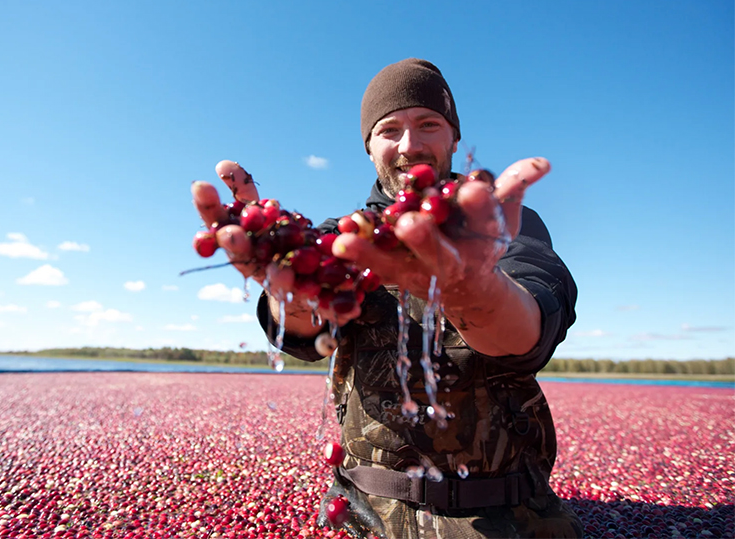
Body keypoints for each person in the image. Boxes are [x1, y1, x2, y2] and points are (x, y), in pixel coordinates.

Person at [192, 58, 582, 539]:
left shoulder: (497, 224)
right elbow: (301, 332)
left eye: (428, 125)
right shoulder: (338, 238)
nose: (410, 144)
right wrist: (288, 297)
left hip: (507, 517)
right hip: (359, 514)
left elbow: (532, 330)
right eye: (389, 130)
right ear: (369, 147)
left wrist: (475, 291)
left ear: (454, 139)